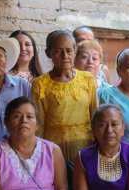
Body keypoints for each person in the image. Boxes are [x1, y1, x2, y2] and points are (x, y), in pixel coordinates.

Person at [31, 30, 98, 162]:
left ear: (75, 51)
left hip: (86, 145)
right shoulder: (40, 84)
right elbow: (38, 123)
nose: (65, 56)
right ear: (48, 53)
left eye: (69, 50)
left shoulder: (87, 79)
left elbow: (95, 114)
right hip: (54, 147)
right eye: (58, 51)